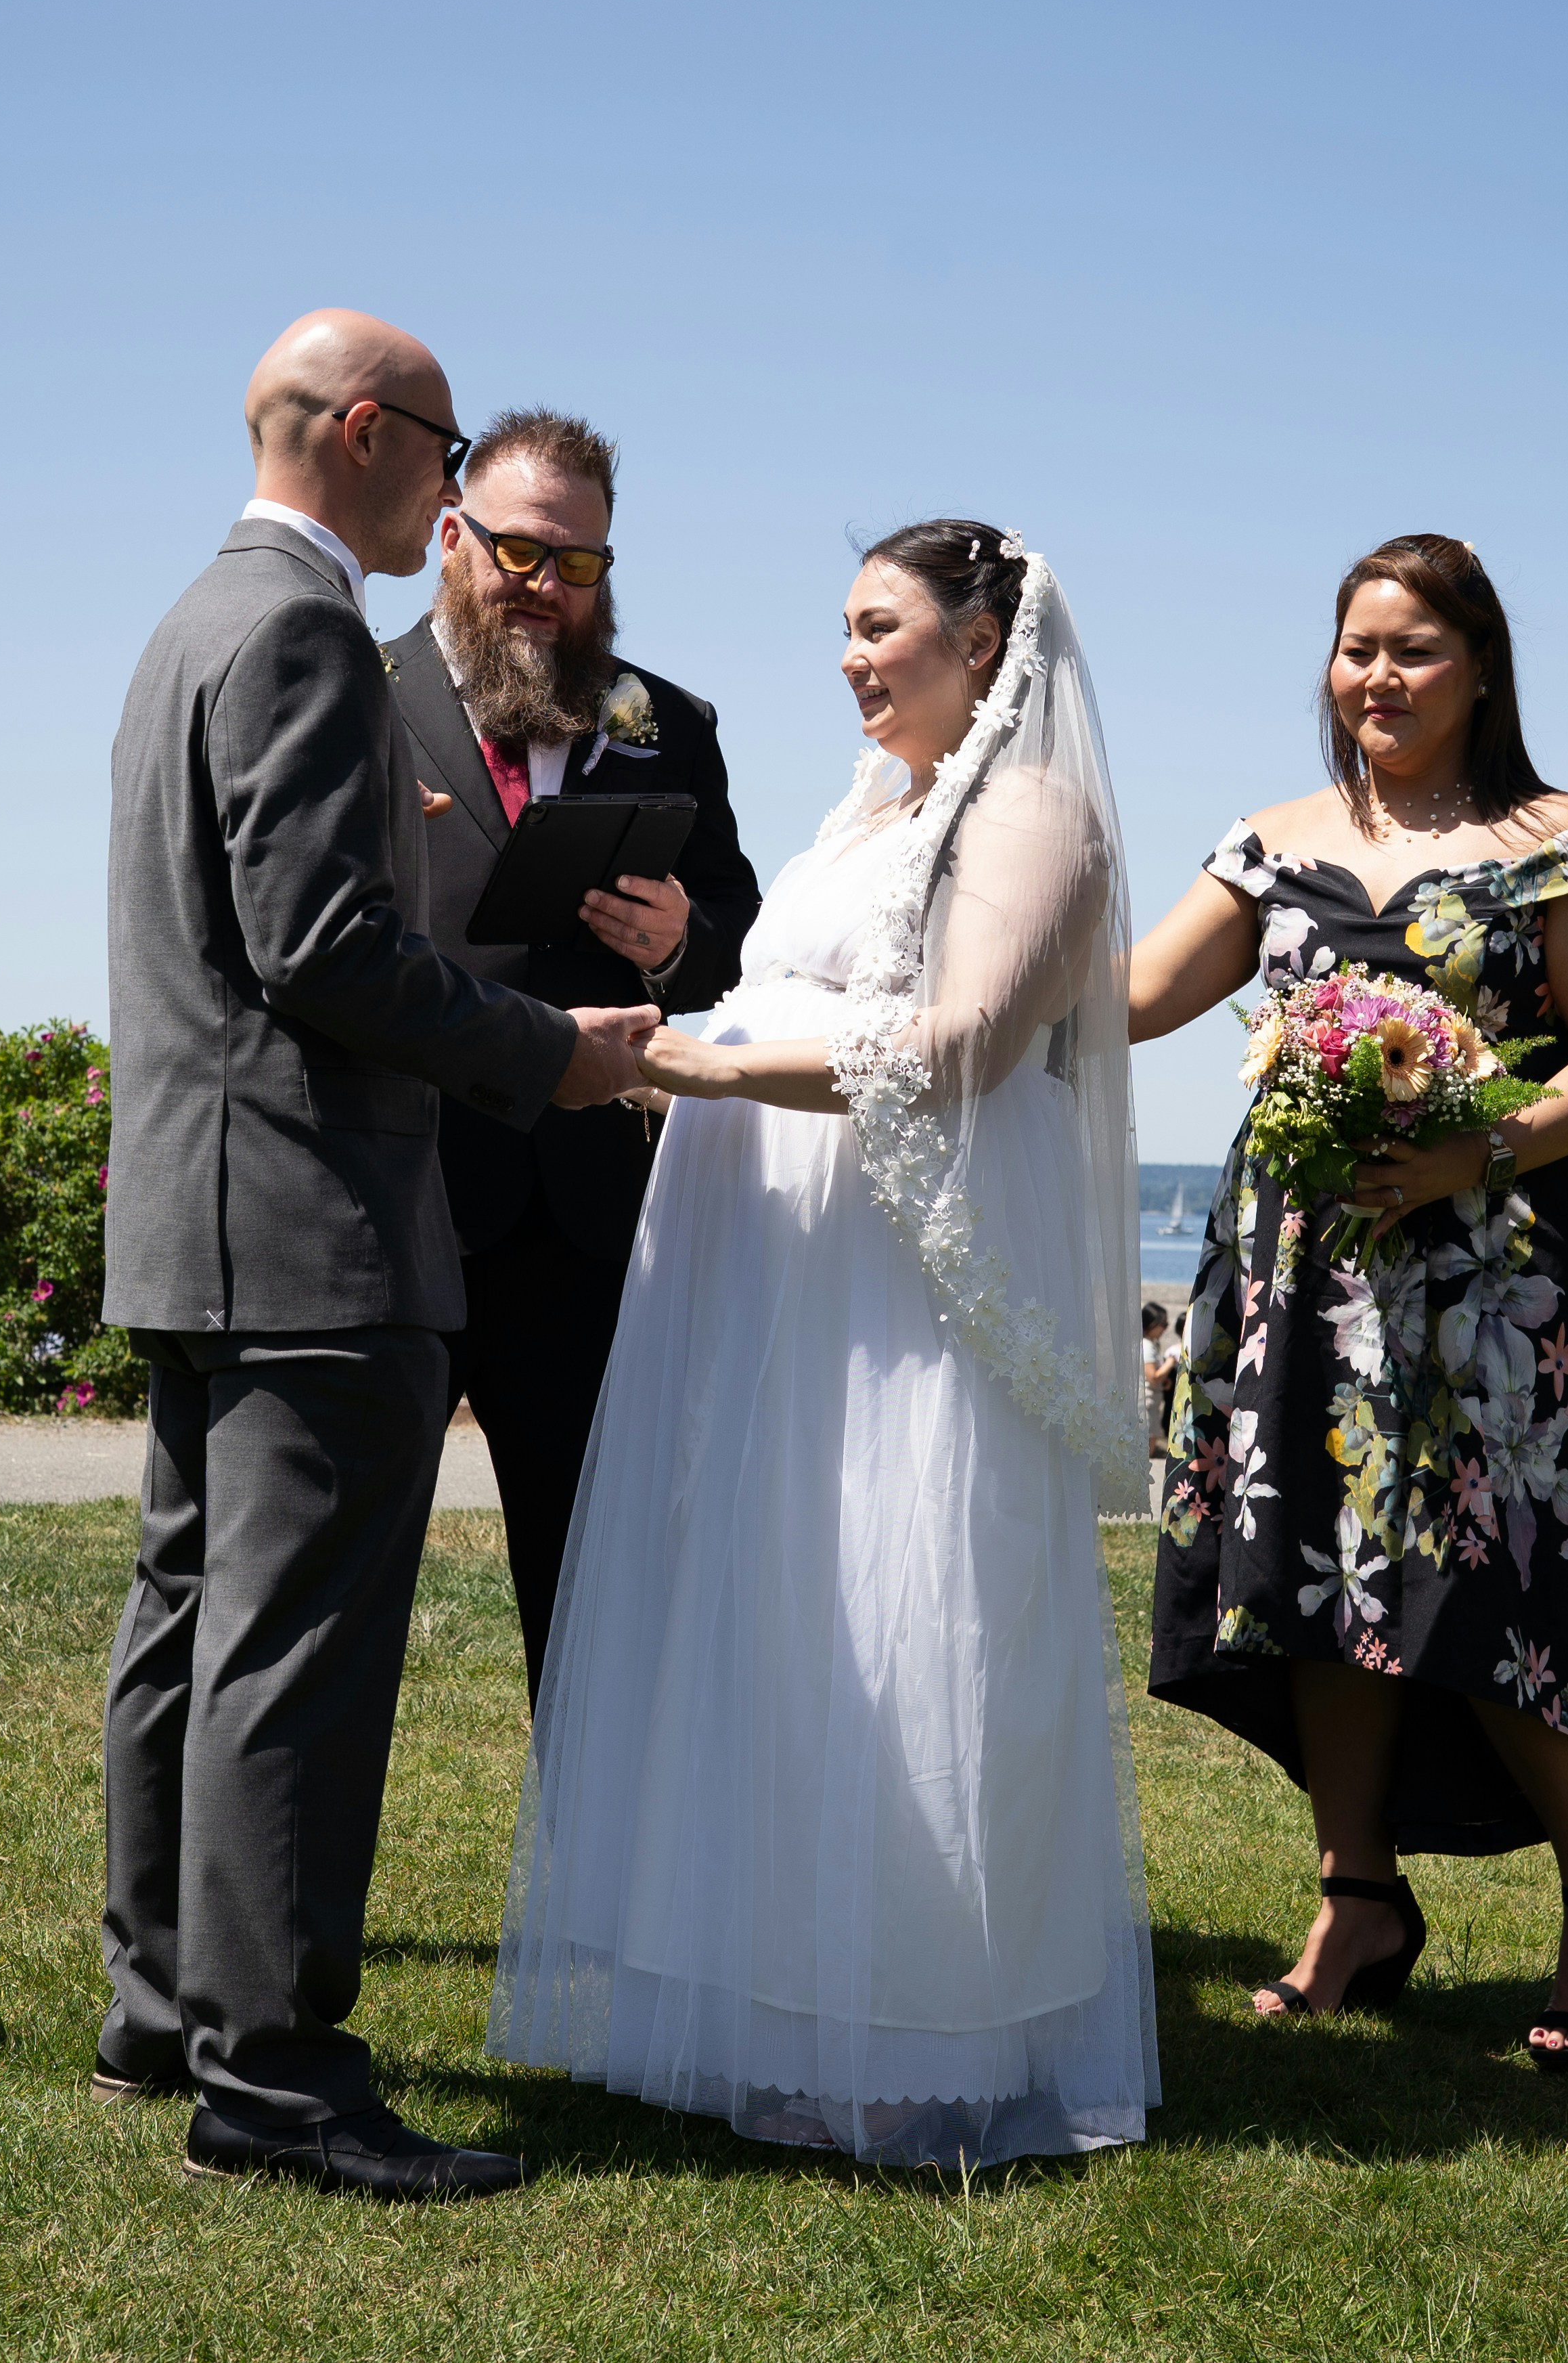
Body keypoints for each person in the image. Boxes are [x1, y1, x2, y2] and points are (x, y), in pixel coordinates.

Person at [488, 523, 1159, 2165]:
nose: (849, 659)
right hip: (790, 1277)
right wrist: (690, 999)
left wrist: (698, 1072)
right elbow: (789, 990)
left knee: (921, 1599)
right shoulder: (873, 810)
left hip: (910, 1285)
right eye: (841, 630)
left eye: (880, 628)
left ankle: (933, 2030)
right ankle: (785, 2001)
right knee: (799, 1621)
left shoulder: (1034, 816)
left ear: (983, 642)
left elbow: (957, 1046)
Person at [97, 311, 657, 2199]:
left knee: (189, 1621)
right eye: (436, 450)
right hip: (319, 1228)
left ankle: (162, 2007)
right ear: (363, 429)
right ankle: (269, 2077)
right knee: (298, 1665)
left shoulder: (194, 617)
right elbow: (321, 946)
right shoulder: (306, 627)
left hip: (203, 1222)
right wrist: (553, 1053)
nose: (449, 488)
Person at [1129, 534, 1568, 2069]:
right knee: (1313, 1574)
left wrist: (1468, 1148)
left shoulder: (1559, 840)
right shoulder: (1267, 839)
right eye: (1353, 647)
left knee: (1506, 1589)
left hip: (1496, 1284)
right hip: (1299, 1270)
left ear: (1479, 667)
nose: (1374, 675)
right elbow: (1133, 995)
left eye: (1410, 649)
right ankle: (1352, 1898)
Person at [381, 409, 759, 1703]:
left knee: (598, 1595)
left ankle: (595, 1902)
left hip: (587, 1220)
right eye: (523, 553)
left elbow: (736, 935)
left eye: (584, 563)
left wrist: (677, 941)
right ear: (450, 537)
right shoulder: (354, 697)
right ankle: (302, 1896)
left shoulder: (668, 722)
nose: (551, 589)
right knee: (350, 1574)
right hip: (399, 1194)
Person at [1141, 1301, 1173, 1456]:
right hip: (1147, 1404)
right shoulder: (1146, 1346)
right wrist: (1171, 1362)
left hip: (1151, 1401)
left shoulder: (1150, 1344)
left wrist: (1164, 1381)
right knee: (1148, 1445)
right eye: (1163, 1324)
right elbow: (1153, 1377)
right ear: (1151, 1323)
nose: (1165, 1328)